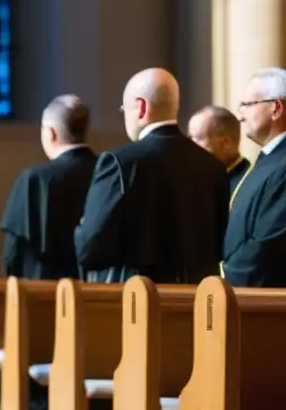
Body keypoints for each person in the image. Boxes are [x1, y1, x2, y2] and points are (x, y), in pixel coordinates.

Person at [74, 68, 228, 283]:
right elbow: (221, 243)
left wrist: (83, 228)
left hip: (139, 302)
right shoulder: (213, 165)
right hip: (197, 300)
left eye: (124, 108)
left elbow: (90, 248)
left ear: (141, 107)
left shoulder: (120, 162)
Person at [0, 95, 97, 279]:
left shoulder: (35, 179)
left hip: (44, 295)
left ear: (50, 132)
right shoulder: (108, 172)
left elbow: (13, 252)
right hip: (97, 295)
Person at [222, 68, 286, 287]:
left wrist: (223, 277)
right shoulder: (268, 159)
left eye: (248, 105)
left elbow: (268, 245)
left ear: (275, 108)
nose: (240, 116)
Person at [187, 105, 251, 196]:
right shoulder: (197, 180)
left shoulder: (249, 184)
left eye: (198, 138)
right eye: (190, 138)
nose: (190, 145)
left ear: (225, 143)